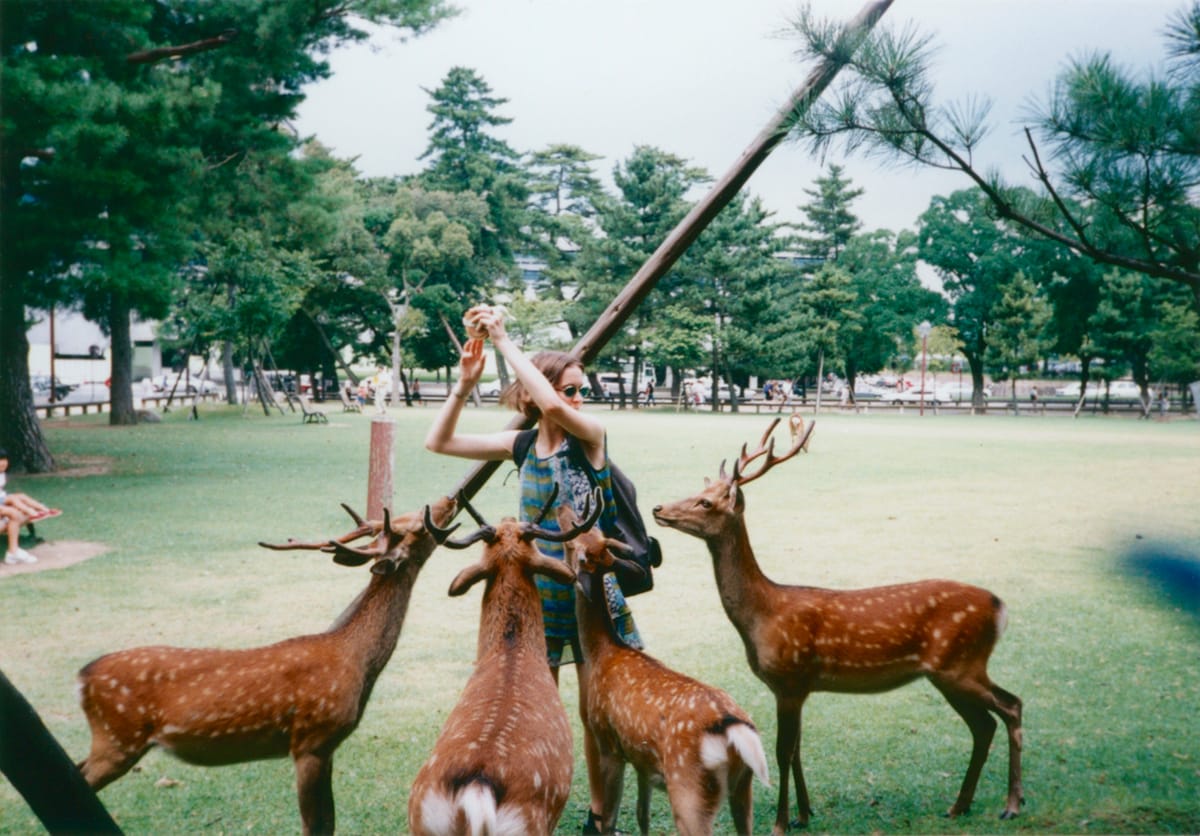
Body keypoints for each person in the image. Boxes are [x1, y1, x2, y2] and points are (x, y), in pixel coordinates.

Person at [424, 305, 643, 835]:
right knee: (532, 717)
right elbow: (439, 441)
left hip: (589, 595)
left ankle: (601, 820)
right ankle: (535, 805)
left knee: (597, 719)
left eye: (581, 390)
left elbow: (546, 402)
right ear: (534, 392)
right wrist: (464, 384)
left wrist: (502, 337)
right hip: (534, 600)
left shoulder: (591, 436)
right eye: (571, 390)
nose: (578, 399)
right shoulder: (521, 445)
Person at [0, 448, 58, 565]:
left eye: (4, 460)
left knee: (17, 501)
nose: (3, 463)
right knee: (14, 510)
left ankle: (41, 509)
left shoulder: (2, 474)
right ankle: (13, 553)